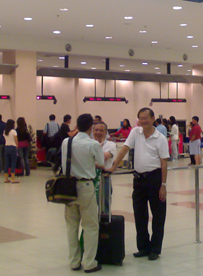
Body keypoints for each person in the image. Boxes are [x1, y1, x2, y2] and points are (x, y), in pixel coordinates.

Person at [107, 107, 169, 261]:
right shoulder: (136, 132)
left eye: (146, 118)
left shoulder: (160, 138)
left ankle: (155, 248)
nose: (143, 121)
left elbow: (164, 163)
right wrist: (114, 166)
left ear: (153, 118)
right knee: (139, 214)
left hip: (155, 179)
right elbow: (125, 149)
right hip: (139, 180)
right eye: (141, 118)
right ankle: (143, 247)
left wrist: (163, 185)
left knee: (158, 215)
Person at [62, 113, 104, 273]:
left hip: (68, 187)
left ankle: (74, 261)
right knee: (91, 226)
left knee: (71, 226)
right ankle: (89, 262)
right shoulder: (93, 144)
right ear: (90, 127)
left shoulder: (67, 142)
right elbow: (100, 162)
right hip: (86, 186)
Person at [93, 121, 116, 215]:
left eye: (101, 130)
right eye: (96, 130)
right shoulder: (88, 143)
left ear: (106, 133)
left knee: (104, 207)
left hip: (104, 179)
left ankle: (104, 226)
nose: (98, 132)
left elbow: (101, 159)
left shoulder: (111, 145)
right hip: (89, 179)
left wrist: (99, 147)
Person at [4, 119, 20, 183]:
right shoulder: (13, 131)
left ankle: (6, 178)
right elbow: (16, 140)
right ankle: (13, 179)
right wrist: (17, 147)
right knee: (13, 162)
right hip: (13, 147)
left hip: (6, 147)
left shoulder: (5, 131)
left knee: (7, 163)